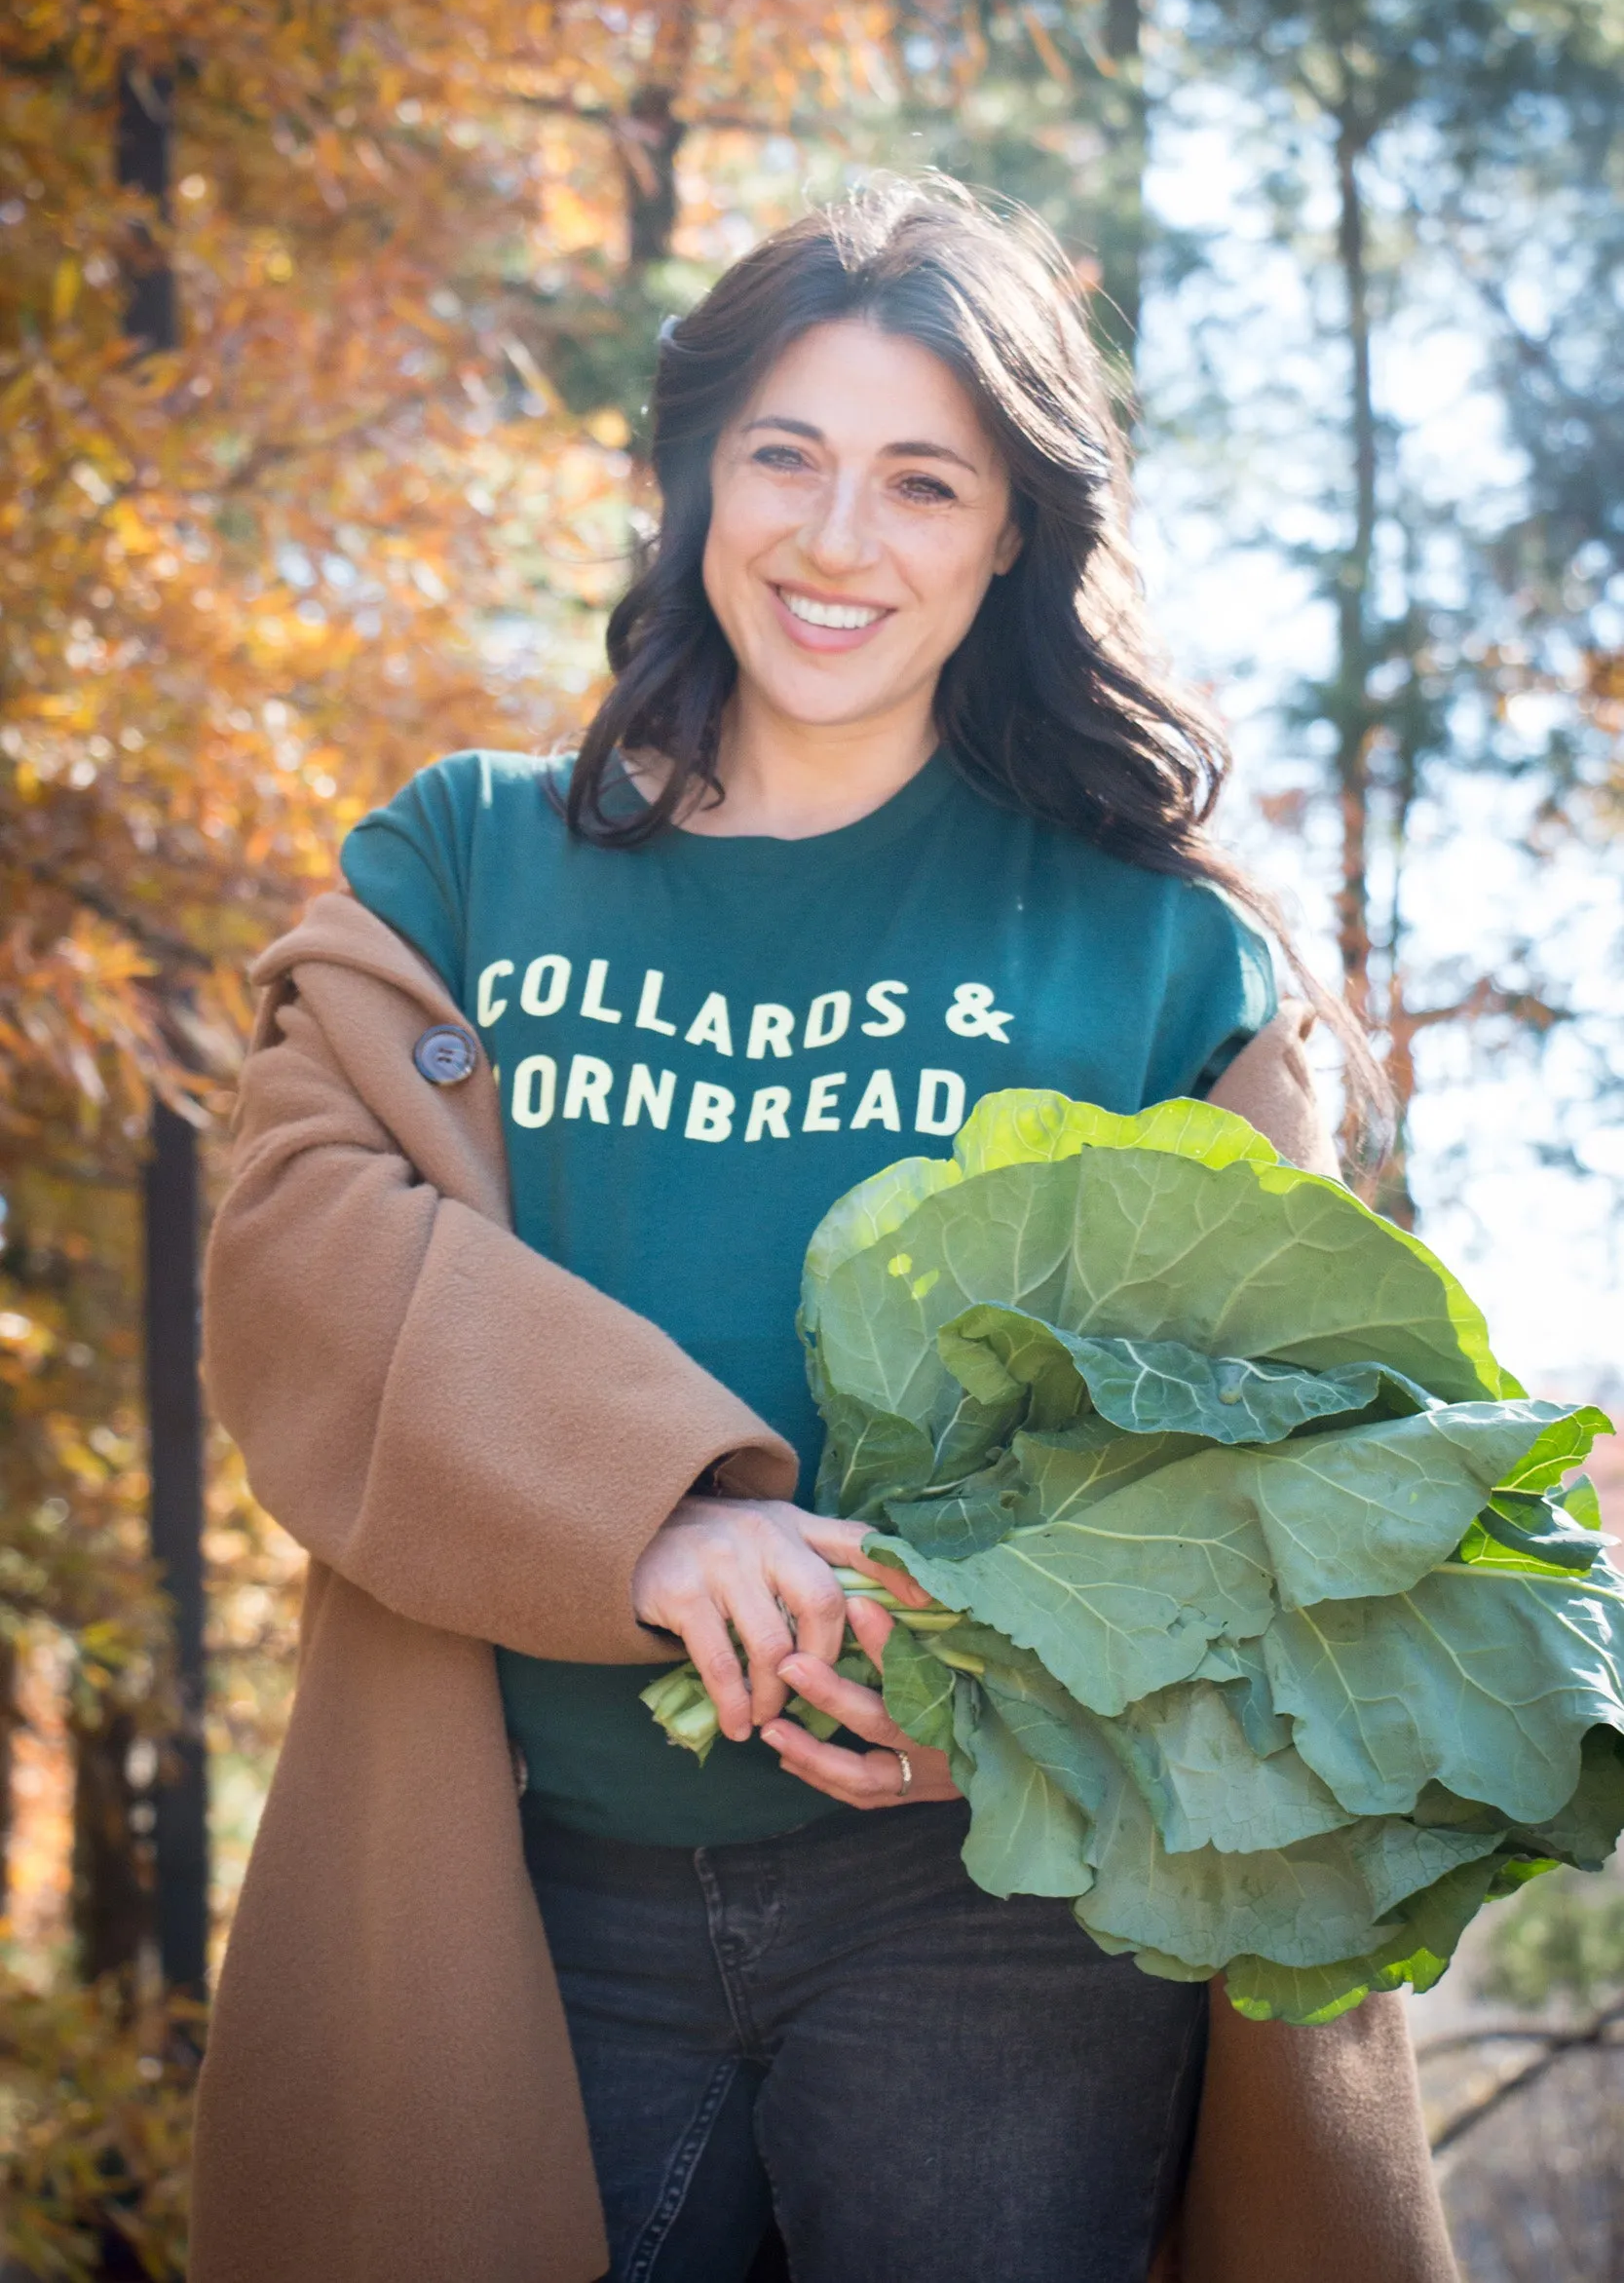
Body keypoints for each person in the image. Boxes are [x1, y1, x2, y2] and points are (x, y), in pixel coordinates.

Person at [193, 178, 1453, 2283]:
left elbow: (1269, 1445)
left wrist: (998, 1656)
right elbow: (300, 1243)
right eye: (783, 455)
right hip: (519, 1880)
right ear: (695, 474)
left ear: (1011, 533)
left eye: (920, 481)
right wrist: (655, 1515)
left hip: (998, 1911)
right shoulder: (468, 859)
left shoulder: (1160, 950)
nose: (836, 538)